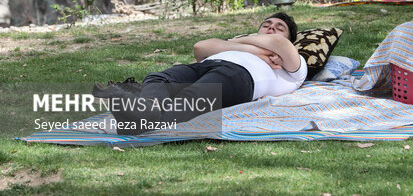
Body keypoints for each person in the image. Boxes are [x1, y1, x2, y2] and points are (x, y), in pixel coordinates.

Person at [95, 12, 306, 135]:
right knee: (159, 78)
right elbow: (200, 48)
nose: (271, 29)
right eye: (266, 25)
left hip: (239, 77)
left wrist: (233, 43)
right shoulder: (245, 44)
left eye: (279, 27)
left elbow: (279, 43)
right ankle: (143, 110)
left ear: (291, 39)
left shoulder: (295, 64)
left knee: (191, 97)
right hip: (204, 66)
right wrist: (252, 48)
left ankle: (134, 120)